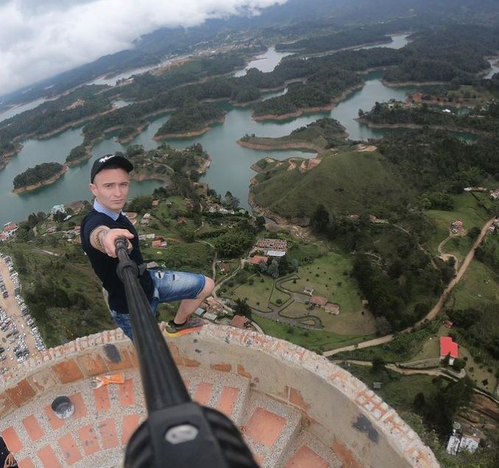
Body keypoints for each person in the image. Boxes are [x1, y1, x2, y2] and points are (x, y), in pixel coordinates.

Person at [80, 153, 215, 341]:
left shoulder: (115, 213)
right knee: (154, 356)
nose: (118, 193)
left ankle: (178, 325)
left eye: (123, 184)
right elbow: (97, 234)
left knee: (206, 285)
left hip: (149, 282)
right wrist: (107, 237)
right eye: (108, 186)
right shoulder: (94, 221)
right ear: (94, 189)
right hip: (130, 307)